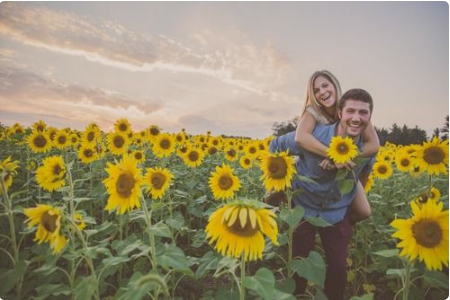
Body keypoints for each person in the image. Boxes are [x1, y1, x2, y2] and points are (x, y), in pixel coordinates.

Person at [269, 88, 377, 300]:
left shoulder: (367, 147)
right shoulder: (314, 136)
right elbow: (275, 145)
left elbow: (364, 172)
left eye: (363, 113)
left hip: (336, 212)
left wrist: (349, 196)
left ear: (370, 117)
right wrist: (281, 178)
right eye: (351, 111)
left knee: (338, 268)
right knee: (299, 265)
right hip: (303, 207)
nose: (356, 118)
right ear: (340, 113)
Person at [295, 70, 379, 223]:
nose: (322, 92)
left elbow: (373, 145)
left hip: (344, 166)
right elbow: (301, 137)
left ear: (335, 85)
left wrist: (343, 158)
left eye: (325, 85)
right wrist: (332, 155)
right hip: (314, 166)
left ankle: (341, 225)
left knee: (364, 211)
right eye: (316, 90)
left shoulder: (352, 108)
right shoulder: (313, 111)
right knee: (274, 195)